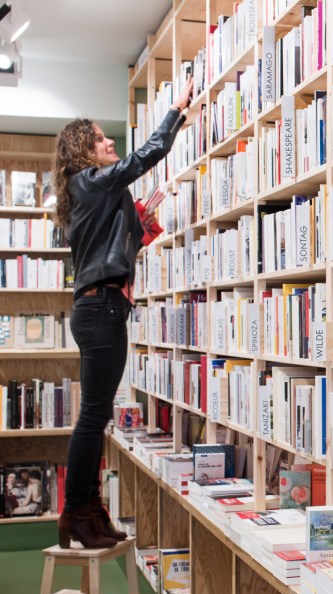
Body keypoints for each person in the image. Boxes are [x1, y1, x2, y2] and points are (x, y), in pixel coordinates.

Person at [53, 78, 193, 548]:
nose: (108, 141)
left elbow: (125, 241)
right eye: (99, 137)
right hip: (101, 308)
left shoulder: (93, 192)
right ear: (83, 150)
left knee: (97, 416)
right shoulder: (88, 181)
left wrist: (142, 225)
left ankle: (89, 511)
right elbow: (143, 158)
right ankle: (76, 512)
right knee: (93, 416)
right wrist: (173, 114)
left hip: (104, 307)